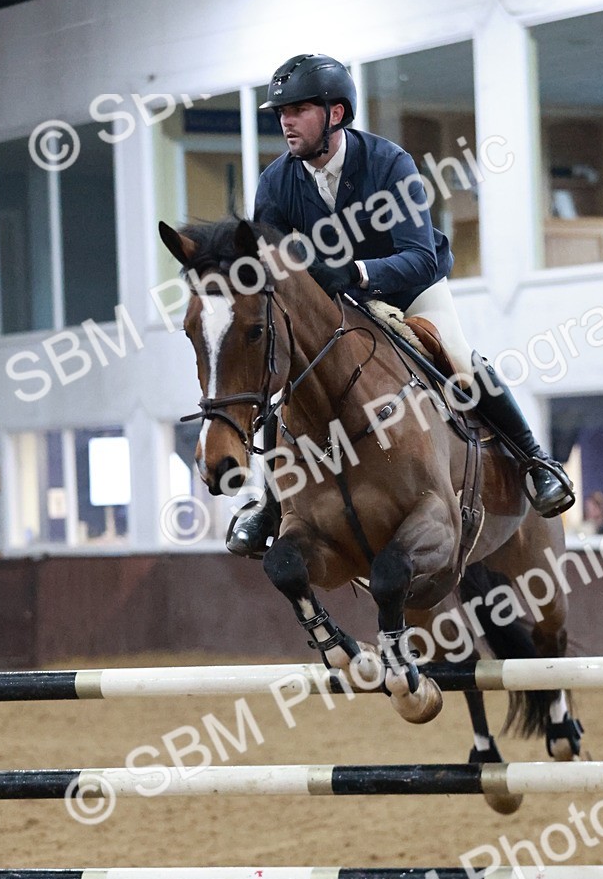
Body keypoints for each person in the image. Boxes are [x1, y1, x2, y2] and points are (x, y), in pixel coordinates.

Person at [228, 53, 574, 557]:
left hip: (408, 287)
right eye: (281, 111)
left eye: (299, 108)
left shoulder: (390, 163)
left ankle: (535, 462)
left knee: (457, 356)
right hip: (335, 305)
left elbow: (418, 254)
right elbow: (276, 271)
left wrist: (359, 273)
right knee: (289, 379)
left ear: (336, 114)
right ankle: (271, 500)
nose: (285, 120)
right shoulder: (277, 182)